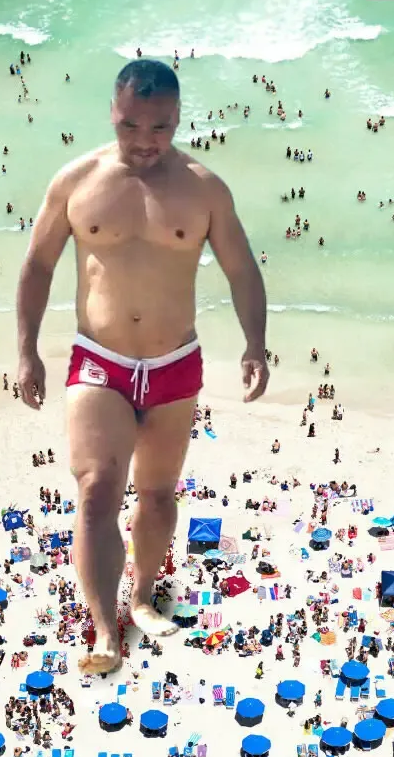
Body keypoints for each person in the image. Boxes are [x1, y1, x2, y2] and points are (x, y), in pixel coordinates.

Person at [15, 59, 268, 674]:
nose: (145, 139)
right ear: (113, 112)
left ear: (178, 118)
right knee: (97, 488)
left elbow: (241, 269)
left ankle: (144, 596)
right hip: (99, 360)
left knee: (156, 495)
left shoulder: (204, 189)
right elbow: (38, 264)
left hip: (174, 363)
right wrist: (26, 349)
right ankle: (105, 631)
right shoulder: (77, 181)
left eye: (160, 126)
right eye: (131, 124)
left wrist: (255, 344)